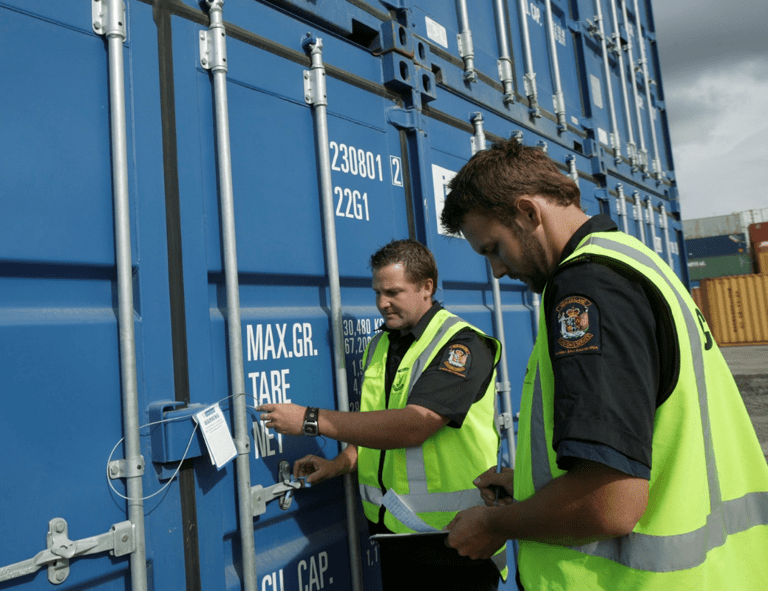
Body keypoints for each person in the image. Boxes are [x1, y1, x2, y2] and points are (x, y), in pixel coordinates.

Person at [439, 139, 768, 589]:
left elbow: (612, 502)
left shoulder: (588, 287)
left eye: (493, 248)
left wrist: (497, 525)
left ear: (529, 212)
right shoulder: (636, 261)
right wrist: (537, 487)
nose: (496, 270)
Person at [257, 239, 506, 590]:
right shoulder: (382, 344)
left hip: (456, 537)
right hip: (392, 534)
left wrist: (311, 420)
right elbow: (378, 426)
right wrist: (340, 463)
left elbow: (412, 427)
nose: (381, 303)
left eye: (393, 292)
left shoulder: (460, 345)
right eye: (377, 292)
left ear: (426, 288)